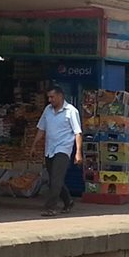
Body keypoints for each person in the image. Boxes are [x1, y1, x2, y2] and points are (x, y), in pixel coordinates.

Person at [36, 85, 82, 216]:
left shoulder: (71, 111)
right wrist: (34, 145)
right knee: (55, 179)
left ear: (60, 96)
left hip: (63, 149)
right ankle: (68, 201)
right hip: (49, 149)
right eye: (48, 97)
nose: (50, 100)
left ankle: (50, 207)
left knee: (55, 179)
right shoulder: (47, 110)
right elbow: (41, 129)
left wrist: (78, 153)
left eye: (52, 97)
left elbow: (78, 133)